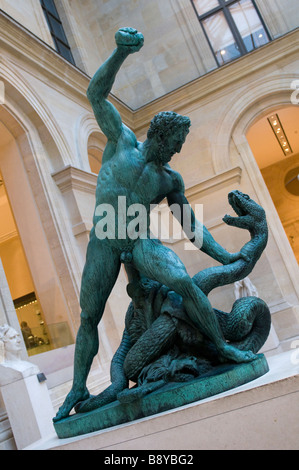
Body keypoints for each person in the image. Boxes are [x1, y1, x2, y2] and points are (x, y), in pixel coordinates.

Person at [54, 28, 256, 421]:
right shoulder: (121, 140)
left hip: (140, 237)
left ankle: (222, 346)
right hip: (106, 235)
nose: (179, 150)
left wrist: (226, 254)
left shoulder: (169, 180)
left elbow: (191, 227)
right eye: (177, 142)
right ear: (161, 135)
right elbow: (95, 94)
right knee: (88, 315)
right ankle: (79, 385)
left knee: (182, 280)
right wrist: (119, 52)